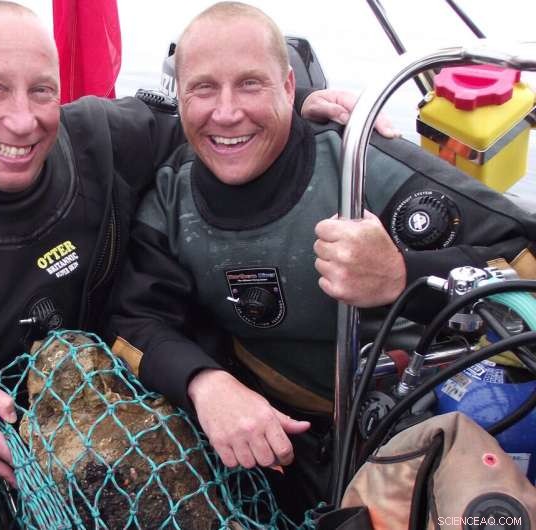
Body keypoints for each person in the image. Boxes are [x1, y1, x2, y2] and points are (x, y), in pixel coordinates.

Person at [0, 1, 385, 490]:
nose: (23, 120)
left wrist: (302, 109)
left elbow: (211, 128)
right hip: (2, 456)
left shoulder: (98, 139)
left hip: (137, 393)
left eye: (41, 91)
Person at [108, 1, 536, 520]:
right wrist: (206, 383)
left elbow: (523, 257)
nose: (226, 112)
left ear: (289, 88)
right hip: (287, 441)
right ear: (178, 96)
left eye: (250, 84)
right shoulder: (170, 203)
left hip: (424, 419)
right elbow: (136, 321)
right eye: (203, 88)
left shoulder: (365, 165)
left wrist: (404, 276)